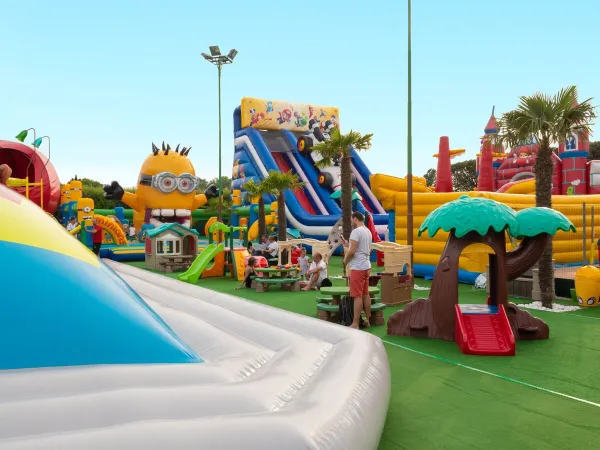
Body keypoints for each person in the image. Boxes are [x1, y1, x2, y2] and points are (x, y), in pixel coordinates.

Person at [343, 211, 373, 328]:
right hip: (366, 265)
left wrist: (345, 261)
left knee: (357, 296)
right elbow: (363, 248)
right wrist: (348, 244)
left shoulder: (356, 232)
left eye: (352, 219)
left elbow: (352, 252)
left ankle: (355, 323)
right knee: (365, 294)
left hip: (358, 267)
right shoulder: (368, 231)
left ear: (355, 219)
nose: (351, 222)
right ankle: (368, 320)